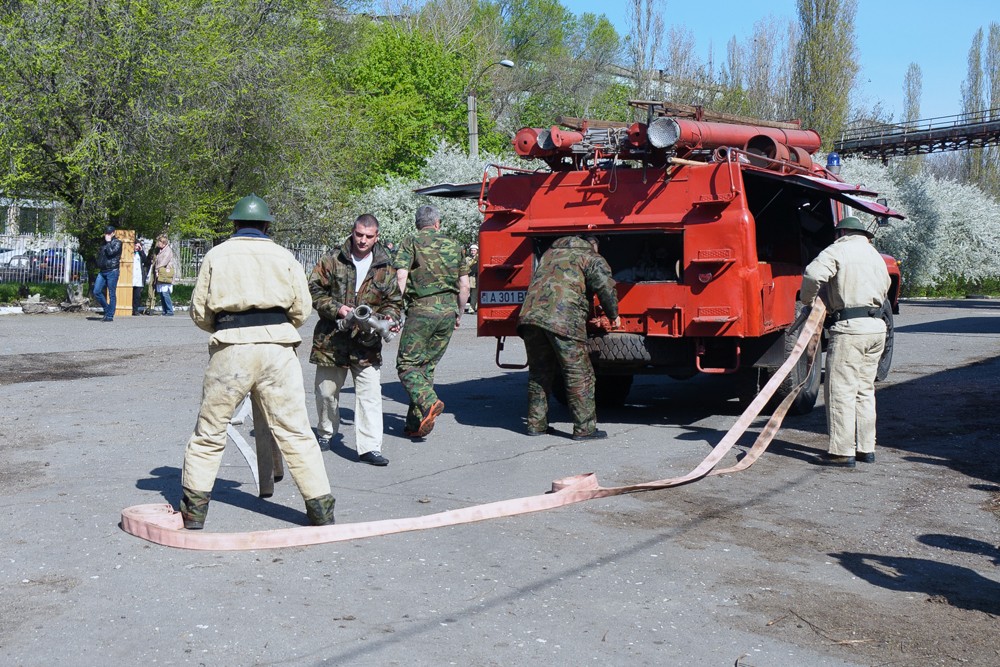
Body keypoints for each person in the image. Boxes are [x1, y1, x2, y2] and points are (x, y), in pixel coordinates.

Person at [178, 193, 336, 529]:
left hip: (231, 348)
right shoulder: (285, 256)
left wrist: (225, 327)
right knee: (296, 432)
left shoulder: (216, 255)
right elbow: (302, 309)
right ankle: (321, 509)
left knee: (210, 431)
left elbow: (199, 311)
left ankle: (193, 513)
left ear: (235, 224)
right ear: (266, 225)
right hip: (277, 349)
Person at [309, 214, 402, 466]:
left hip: (366, 345)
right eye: (359, 234)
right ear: (353, 231)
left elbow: (394, 302)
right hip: (332, 341)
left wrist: (386, 318)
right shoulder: (332, 259)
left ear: (376, 237)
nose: (363, 240)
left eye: (368, 236)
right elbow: (314, 290)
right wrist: (338, 309)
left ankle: (370, 447)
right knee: (326, 393)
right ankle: (326, 433)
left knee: (370, 396)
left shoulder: (386, 267)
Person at [800, 215, 891, 468]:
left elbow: (813, 274)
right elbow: (886, 286)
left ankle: (842, 452)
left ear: (841, 233)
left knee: (841, 390)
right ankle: (866, 448)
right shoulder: (875, 256)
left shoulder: (838, 249)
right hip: (876, 327)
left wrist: (808, 301)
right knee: (864, 390)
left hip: (851, 329)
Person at [517, 235, 620, 440]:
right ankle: (585, 429)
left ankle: (536, 425)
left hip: (530, 318)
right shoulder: (590, 257)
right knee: (578, 374)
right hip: (563, 320)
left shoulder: (549, 254)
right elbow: (605, 286)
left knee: (539, 373)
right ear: (593, 246)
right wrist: (613, 314)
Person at [394, 205, 469, 438]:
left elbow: (401, 276)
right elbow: (465, 285)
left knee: (406, 364)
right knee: (426, 366)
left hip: (422, 309)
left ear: (418, 224)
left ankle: (429, 401)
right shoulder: (455, 245)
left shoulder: (411, 241)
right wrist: (459, 313)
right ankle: (415, 424)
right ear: (437, 223)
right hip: (447, 311)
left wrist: (395, 308)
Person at [92, 225, 122, 322]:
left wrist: (108, 242)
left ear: (113, 233)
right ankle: (107, 309)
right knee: (96, 291)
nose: (107, 235)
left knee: (111, 293)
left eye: (109, 233)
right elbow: (100, 255)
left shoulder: (117, 243)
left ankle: (110, 315)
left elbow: (111, 253)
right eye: (106, 233)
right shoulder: (103, 243)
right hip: (102, 271)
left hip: (112, 270)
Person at [153, 234, 175, 316]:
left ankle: (169, 310)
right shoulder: (161, 250)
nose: (158, 244)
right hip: (161, 273)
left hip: (165, 273)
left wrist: (157, 268)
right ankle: (165, 310)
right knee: (162, 293)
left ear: (163, 243)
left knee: (165, 293)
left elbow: (164, 261)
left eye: (159, 242)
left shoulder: (167, 250)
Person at [131, 239, 151, 316]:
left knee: (137, 295)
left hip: (138, 276)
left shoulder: (140, 254)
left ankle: (135, 310)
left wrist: (141, 251)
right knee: (130, 294)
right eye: (135, 245)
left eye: (138, 246)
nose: (136, 247)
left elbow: (146, 261)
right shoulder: (130, 253)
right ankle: (129, 308)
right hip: (131, 276)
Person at [464, 243, 479, 314]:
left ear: (477, 251)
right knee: (467, 293)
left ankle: (472, 308)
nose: (473, 252)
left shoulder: (480, 258)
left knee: (475, 294)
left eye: (474, 250)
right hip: (469, 277)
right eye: (471, 250)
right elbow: (465, 268)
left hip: (476, 278)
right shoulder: (467, 259)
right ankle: (465, 307)